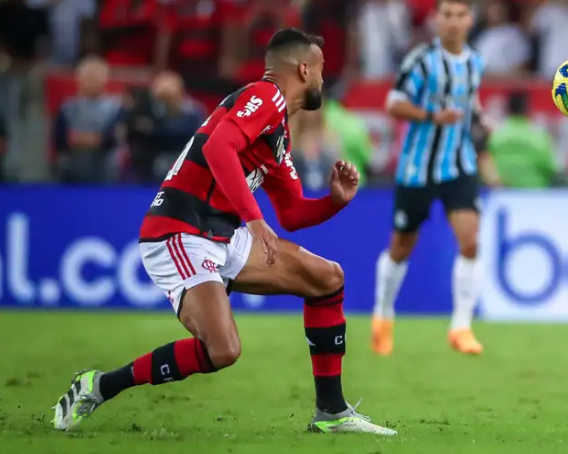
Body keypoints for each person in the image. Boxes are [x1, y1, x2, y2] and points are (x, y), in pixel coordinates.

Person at [52, 28, 396, 436]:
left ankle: (332, 413)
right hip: (181, 230)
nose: (323, 78)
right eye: (321, 68)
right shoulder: (265, 97)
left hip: (222, 234)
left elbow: (290, 212)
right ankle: (98, 385)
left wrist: (335, 201)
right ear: (304, 69)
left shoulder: (278, 132)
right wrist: (253, 219)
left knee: (326, 279)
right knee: (224, 350)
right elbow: (218, 148)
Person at [370, 0, 487, 356]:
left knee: (470, 241)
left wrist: (482, 119)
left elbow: (471, 102)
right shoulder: (421, 61)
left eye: (459, 14)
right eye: (446, 14)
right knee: (401, 247)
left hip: (458, 164)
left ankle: (461, 326)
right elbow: (393, 103)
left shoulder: (475, 63)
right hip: (417, 168)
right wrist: (432, 116)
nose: (453, 21)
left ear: (470, 19)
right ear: (437, 19)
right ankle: (383, 314)